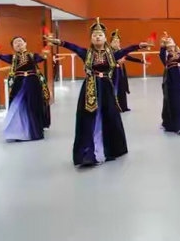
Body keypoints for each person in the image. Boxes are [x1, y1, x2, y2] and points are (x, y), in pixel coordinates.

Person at [45, 18, 150, 167]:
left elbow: (126, 50)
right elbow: (72, 46)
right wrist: (58, 42)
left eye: (100, 35)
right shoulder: (86, 53)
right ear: (91, 39)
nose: (97, 37)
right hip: (90, 88)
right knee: (88, 117)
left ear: (105, 38)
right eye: (94, 35)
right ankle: (87, 153)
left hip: (106, 88)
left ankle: (109, 149)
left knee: (109, 116)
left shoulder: (111, 54)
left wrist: (139, 46)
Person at [0, 37, 49, 142]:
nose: (18, 43)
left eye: (20, 41)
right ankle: (18, 131)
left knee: (33, 105)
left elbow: (42, 57)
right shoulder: (12, 58)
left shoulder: (32, 56)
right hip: (18, 83)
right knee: (17, 105)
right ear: (13, 47)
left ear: (25, 43)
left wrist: (45, 53)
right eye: (15, 42)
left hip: (33, 82)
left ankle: (34, 131)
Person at [110, 30, 146, 112]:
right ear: (110, 43)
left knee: (122, 89)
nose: (117, 44)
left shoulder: (120, 51)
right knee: (114, 90)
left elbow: (129, 57)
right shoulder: (109, 52)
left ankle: (123, 107)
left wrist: (141, 61)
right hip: (112, 74)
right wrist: (116, 62)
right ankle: (115, 108)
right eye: (114, 42)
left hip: (120, 73)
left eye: (118, 42)